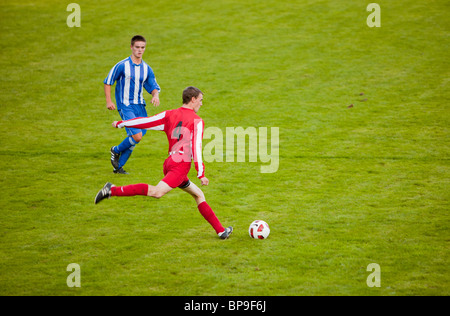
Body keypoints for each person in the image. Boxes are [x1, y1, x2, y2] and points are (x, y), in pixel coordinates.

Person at [94, 87, 233, 239]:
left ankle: (221, 231)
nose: (201, 104)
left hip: (169, 163)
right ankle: (111, 190)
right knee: (157, 192)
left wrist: (121, 123)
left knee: (199, 195)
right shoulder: (197, 121)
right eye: (200, 100)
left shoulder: (170, 114)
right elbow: (196, 147)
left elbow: (146, 122)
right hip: (180, 166)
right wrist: (201, 174)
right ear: (192, 99)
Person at [104, 35, 161, 174]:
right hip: (125, 105)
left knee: (136, 137)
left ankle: (118, 167)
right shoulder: (122, 65)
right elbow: (108, 81)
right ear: (131, 47)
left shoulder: (147, 68)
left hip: (140, 106)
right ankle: (115, 150)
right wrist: (109, 101)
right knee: (137, 136)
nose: (140, 50)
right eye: (137, 47)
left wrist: (155, 96)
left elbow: (152, 85)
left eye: (142, 48)